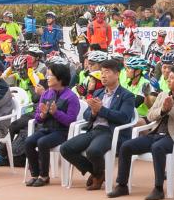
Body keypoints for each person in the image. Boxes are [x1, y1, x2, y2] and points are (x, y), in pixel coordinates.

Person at [110, 64, 174, 200]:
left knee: (158, 148)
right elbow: (150, 116)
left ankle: (158, 188)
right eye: (168, 78)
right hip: (155, 133)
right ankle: (122, 185)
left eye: (172, 78)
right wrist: (162, 110)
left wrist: (172, 109)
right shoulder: (162, 94)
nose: (168, 80)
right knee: (126, 146)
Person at [56, 57, 136, 191]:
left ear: (117, 74)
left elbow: (124, 118)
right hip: (94, 129)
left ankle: (97, 175)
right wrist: (93, 112)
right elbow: (87, 115)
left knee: (93, 151)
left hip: (111, 132)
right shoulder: (99, 92)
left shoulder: (127, 96)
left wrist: (102, 110)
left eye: (107, 72)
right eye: (102, 72)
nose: (103, 76)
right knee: (66, 148)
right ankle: (97, 173)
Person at [24, 62, 80, 187]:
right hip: (46, 129)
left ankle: (44, 176)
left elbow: (71, 120)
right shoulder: (46, 94)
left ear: (60, 78)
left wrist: (55, 113)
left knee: (42, 142)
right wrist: (42, 115)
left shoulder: (71, 97)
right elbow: (38, 117)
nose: (47, 78)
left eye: (50, 75)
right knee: (28, 141)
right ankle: (34, 174)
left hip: (62, 131)